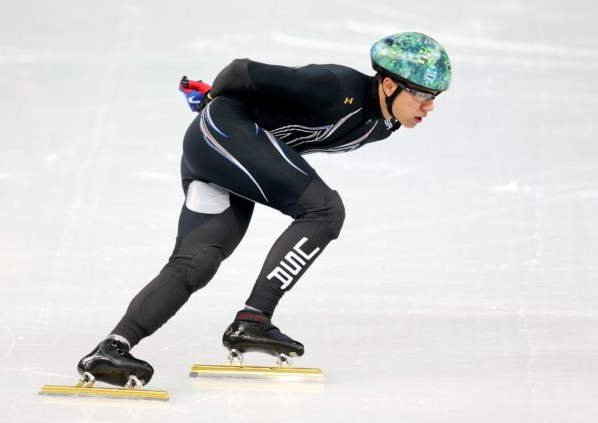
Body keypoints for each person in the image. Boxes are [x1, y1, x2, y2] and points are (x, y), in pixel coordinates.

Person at [76, 32, 452, 388]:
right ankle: (254, 319)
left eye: (435, 96)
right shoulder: (336, 87)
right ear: (389, 85)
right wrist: (211, 102)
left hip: (230, 156)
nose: (430, 105)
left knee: (198, 261)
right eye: (422, 94)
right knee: (325, 210)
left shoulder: (384, 125)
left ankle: (111, 349)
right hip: (224, 134)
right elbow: (241, 70)